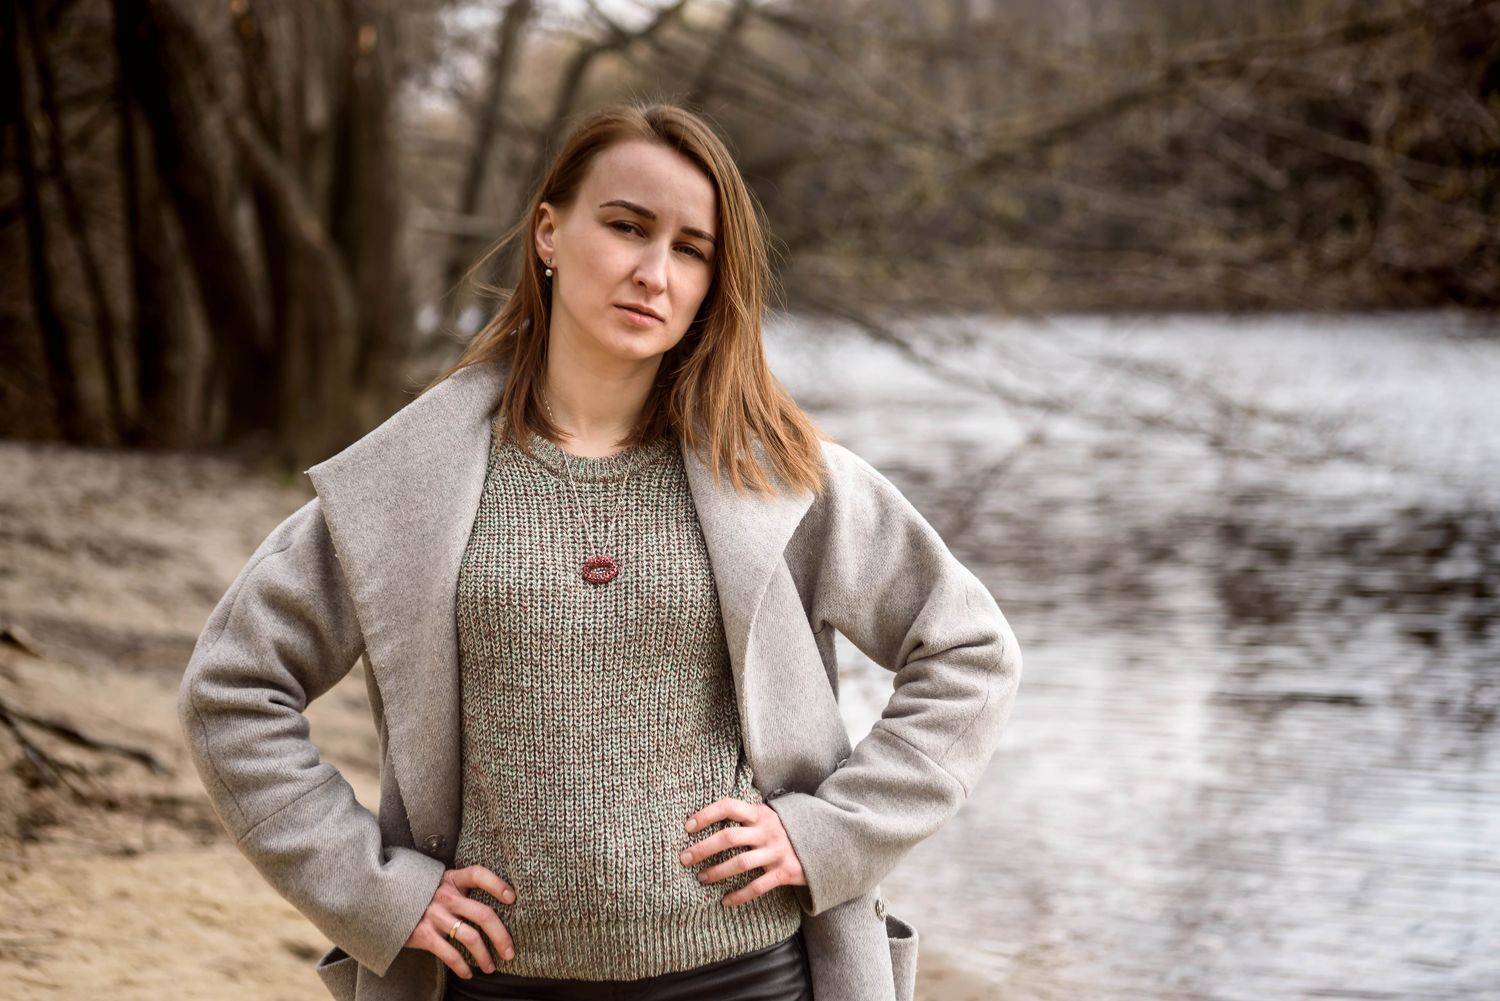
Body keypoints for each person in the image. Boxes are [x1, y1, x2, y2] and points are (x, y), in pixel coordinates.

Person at [177, 101, 1022, 1001]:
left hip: (752, 977)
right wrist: (377, 892)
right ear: (549, 232)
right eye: (626, 226)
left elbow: (969, 653)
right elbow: (233, 690)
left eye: (691, 250)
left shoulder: (776, 474)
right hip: (496, 986)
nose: (654, 272)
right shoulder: (412, 478)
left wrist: (828, 833)